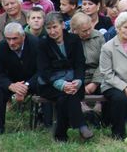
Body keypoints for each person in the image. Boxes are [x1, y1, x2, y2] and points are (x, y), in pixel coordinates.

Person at [37, 12, 93, 141]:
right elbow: (43, 70)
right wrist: (61, 84)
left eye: (55, 27)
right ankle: (82, 126)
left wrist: (78, 81)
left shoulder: (74, 39)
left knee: (66, 97)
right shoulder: (43, 44)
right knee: (67, 95)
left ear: (62, 25)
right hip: (50, 84)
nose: (52, 31)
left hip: (73, 82)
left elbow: (80, 63)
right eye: (49, 28)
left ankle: (60, 135)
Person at [0, 22, 40, 134]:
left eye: (14, 39)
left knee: (45, 84)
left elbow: (42, 71)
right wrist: (11, 86)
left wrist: (25, 87)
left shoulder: (36, 44)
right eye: (8, 39)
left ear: (23, 36)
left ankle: (46, 123)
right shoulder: (2, 46)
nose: (11, 42)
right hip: (11, 82)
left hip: (32, 81)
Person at [70, 12, 104, 96]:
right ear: (75, 31)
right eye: (84, 31)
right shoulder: (68, 40)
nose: (88, 32)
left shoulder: (98, 37)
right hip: (75, 78)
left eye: (90, 28)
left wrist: (95, 83)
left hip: (97, 76)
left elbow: (104, 62)